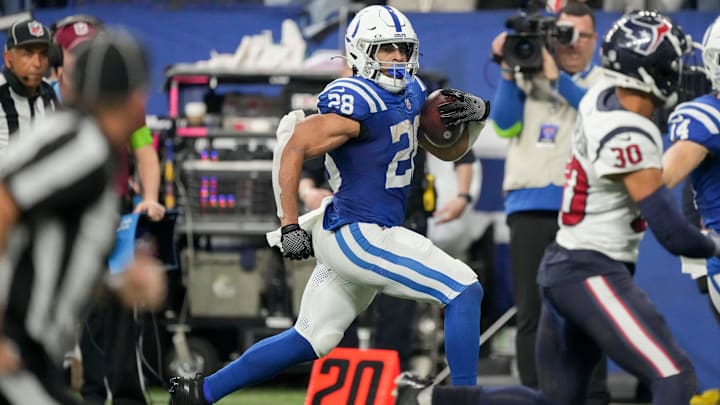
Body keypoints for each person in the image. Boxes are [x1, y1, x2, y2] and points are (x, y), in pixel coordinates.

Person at [167, 5, 544, 405]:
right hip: (358, 232)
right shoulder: (354, 98)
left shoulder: (414, 92)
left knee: (313, 337)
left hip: (363, 231)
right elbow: (293, 146)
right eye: (387, 49)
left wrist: (476, 118)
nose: (398, 57)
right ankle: (465, 400)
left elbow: (442, 150)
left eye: (403, 49)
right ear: (362, 52)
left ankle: (200, 393)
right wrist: (289, 224)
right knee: (463, 288)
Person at [534, 10, 720, 405]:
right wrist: (714, 246)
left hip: (570, 263)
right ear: (648, 69)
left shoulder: (600, 98)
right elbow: (670, 231)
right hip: (590, 268)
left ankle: (430, 397)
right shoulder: (629, 131)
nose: (678, 70)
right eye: (670, 61)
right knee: (674, 376)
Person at [0, 30, 165, 405]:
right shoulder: (82, 146)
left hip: (32, 355)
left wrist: (116, 287)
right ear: (134, 97)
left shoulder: (83, 144)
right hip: (14, 348)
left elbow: (53, 261)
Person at [488, 2, 609, 400]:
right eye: (562, 34)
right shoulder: (526, 77)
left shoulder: (603, 83)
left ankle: (592, 398)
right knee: (530, 315)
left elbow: (596, 120)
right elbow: (505, 124)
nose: (569, 43)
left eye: (579, 35)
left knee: (591, 312)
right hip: (529, 207)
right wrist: (508, 69)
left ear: (594, 39)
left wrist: (557, 79)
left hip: (585, 211)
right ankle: (534, 397)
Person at [51, 15, 166, 405]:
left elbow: (145, 150)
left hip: (111, 210)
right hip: (55, 212)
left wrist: (148, 196)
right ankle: (91, 393)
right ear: (60, 60)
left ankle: (121, 396)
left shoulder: (124, 107)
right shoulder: (46, 104)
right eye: (78, 54)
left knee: (116, 304)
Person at [0, 18, 58, 154]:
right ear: (9, 59)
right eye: (28, 54)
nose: (37, 63)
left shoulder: (48, 93)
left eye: (43, 54)